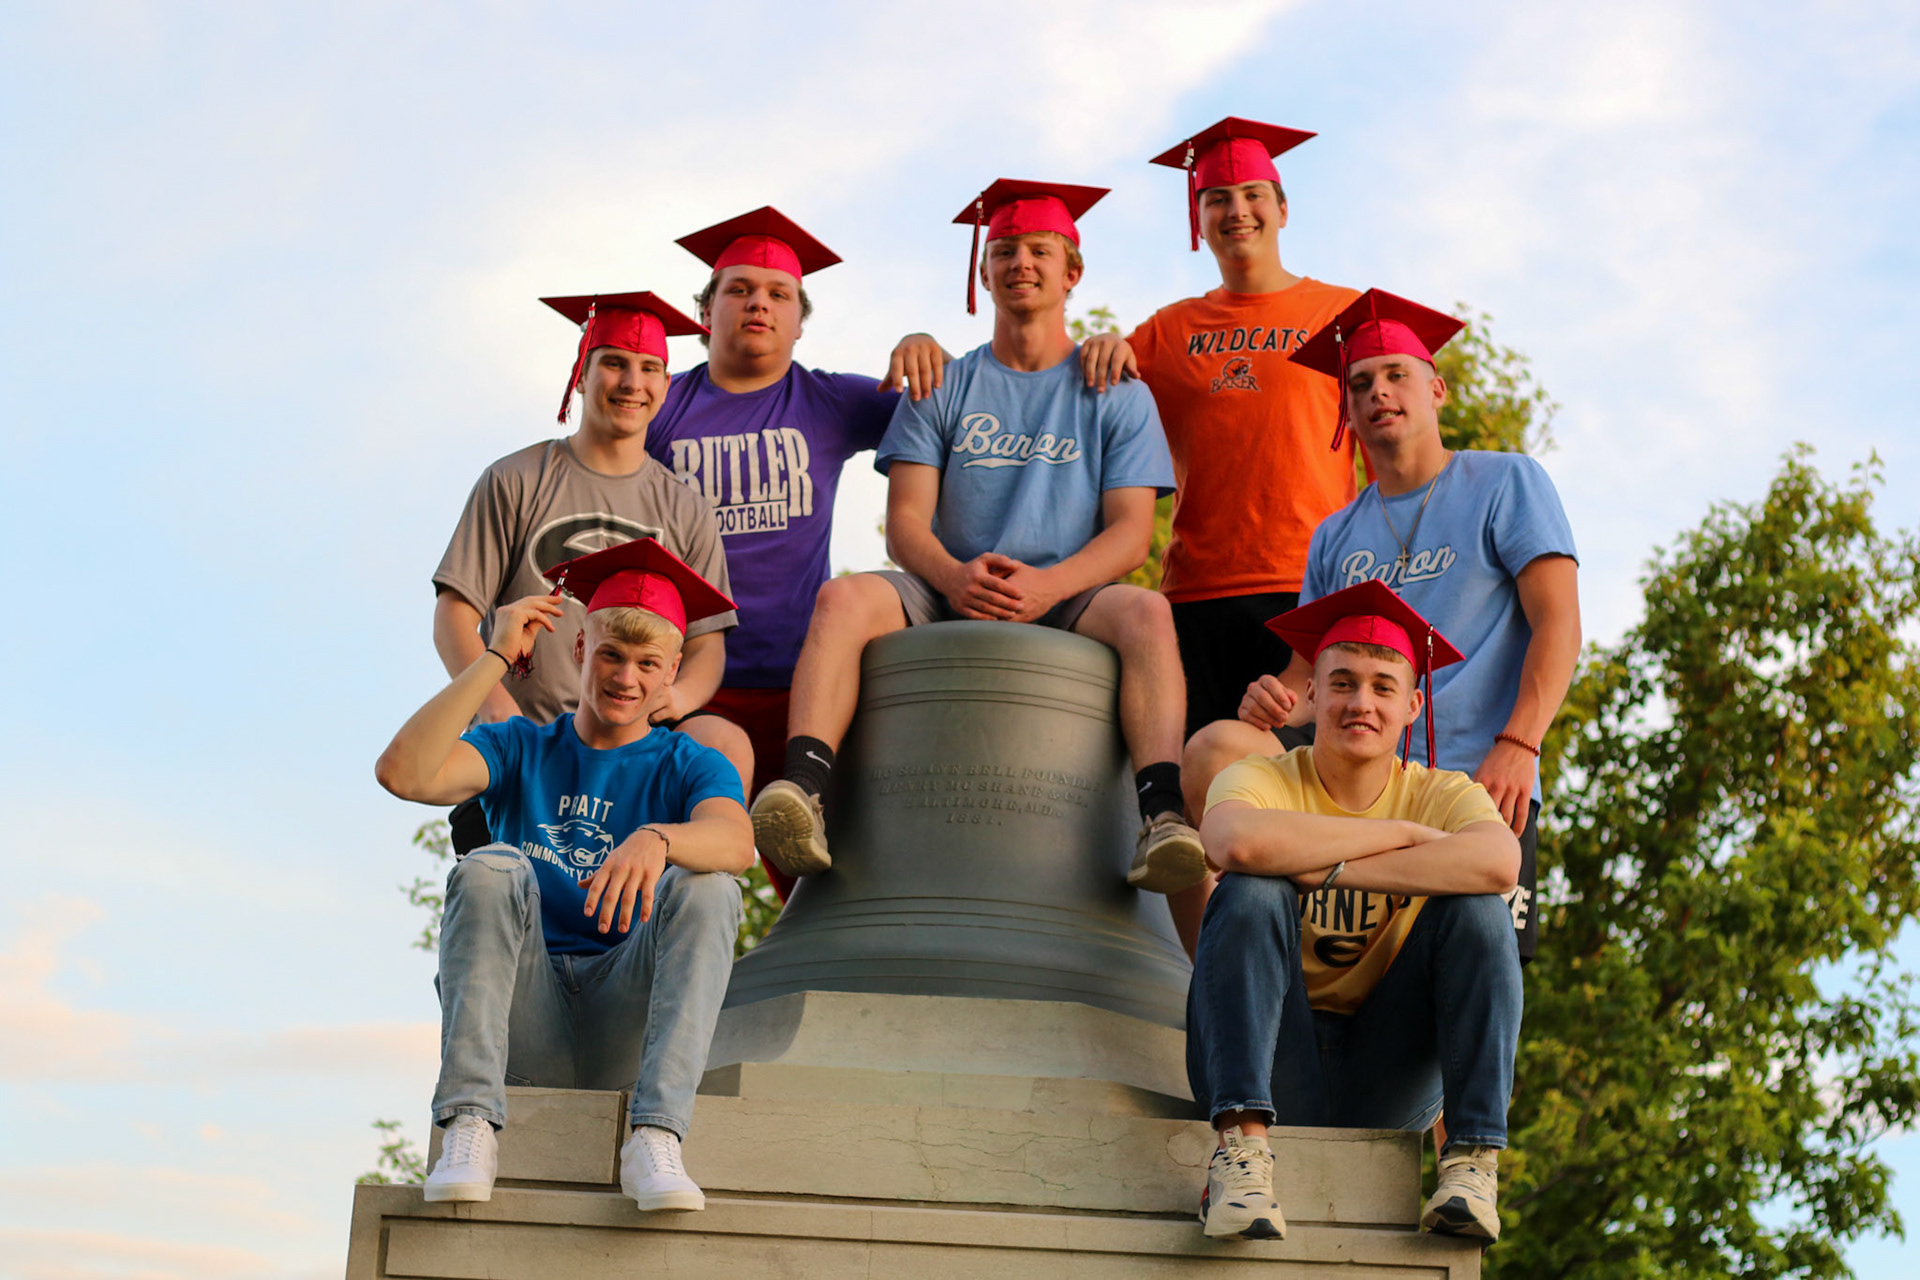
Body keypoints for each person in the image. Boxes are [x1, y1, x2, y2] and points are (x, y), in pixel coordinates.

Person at [748, 179, 1204, 889]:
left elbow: (1130, 535)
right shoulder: (945, 385)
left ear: (1071, 272)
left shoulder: (1115, 388)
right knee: (843, 600)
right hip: (946, 584)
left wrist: (1048, 583)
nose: (1021, 262)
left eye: (1040, 251)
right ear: (982, 272)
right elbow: (905, 523)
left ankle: (1162, 815)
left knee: (1146, 610)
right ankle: (802, 790)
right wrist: (954, 576)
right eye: (1004, 251)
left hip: (1069, 591)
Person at [1183, 289, 1581, 963]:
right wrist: (1271, 701)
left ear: (1437, 389)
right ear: (1346, 406)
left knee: (1467, 984)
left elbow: (1560, 624)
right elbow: (1308, 680)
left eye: (1396, 375)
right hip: (1354, 792)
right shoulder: (1336, 535)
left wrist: (1520, 743)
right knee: (1218, 745)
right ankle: (1219, 977)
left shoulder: (1506, 484)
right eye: (1360, 383)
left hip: (1475, 788)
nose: (1379, 392)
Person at [376, 537, 754, 1211]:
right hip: (528, 1016)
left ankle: (656, 1136)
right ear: (580, 650)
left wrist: (658, 837)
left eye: (647, 663)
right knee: (490, 864)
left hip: (628, 1016)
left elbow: (736, 842)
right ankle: (469, 1123)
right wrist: (494, 655)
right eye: (610, 653)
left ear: (671, 676)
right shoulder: (519, 746)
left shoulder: (687, 763)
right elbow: (403, 773)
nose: (625, 677)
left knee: (709, 885)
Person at [1186, 581, 1522, 1243]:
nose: (1360, 702)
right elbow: (1232, 842)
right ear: (1310, 695)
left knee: (1481, 913)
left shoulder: (1442, 792)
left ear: (1412, 704)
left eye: (1381, 686)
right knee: (1250, 889)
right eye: (1340, 683)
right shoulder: (1269, 776)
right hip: (1272, 1052)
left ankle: (1471, 1163)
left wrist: (1326, 865)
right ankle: (1241, 1159)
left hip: (1388, 1072)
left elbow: (1497, 863)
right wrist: (1404, 839)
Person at [432, 290, 750, 853]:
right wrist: (497, 710)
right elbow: (455, 613)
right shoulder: (516, 480)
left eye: (650, 368)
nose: (632, 382)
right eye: (614, 363)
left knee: (721, 742)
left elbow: (707, 645)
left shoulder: (684, 509)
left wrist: (678, 699)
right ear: (580, 375)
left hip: (631, 751)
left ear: (666, 386)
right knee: (501, 900)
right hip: (529, 743)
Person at [645, 207, 902, 898]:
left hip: (806, 691)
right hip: (695, 686)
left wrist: (923, 344)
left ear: (798, 320)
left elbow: (956, 422)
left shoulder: (832, 401)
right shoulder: (660, 407)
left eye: (777, 293)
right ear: (705, 311)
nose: (758, 301)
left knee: (827, 886)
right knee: (683, 878)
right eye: (738, 289)